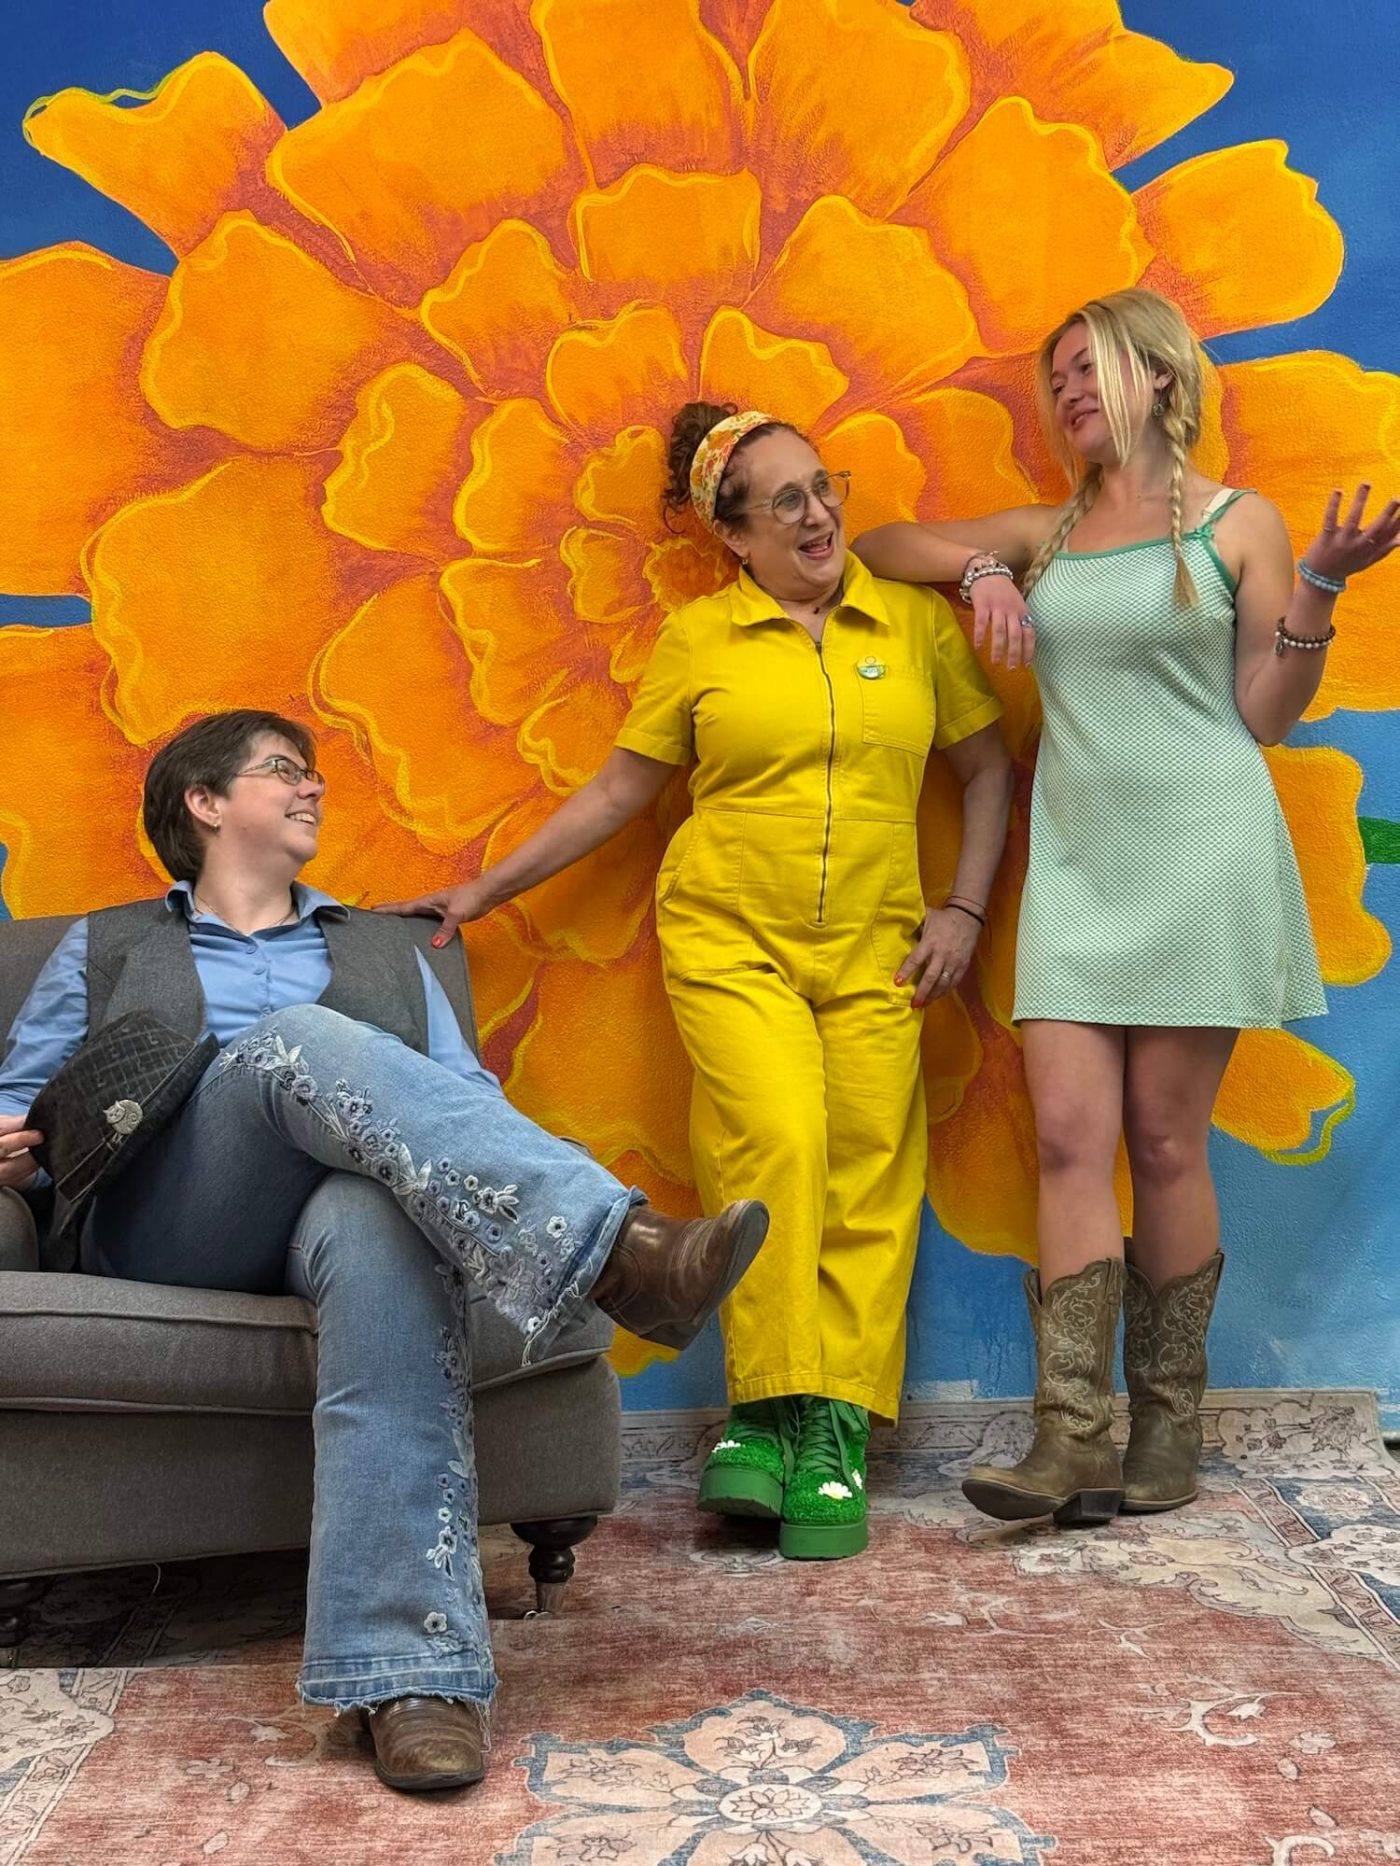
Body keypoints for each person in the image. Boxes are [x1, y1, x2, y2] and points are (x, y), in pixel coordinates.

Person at [0, 710, 769, 1793]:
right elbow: (20, 1105)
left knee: (376, 1232)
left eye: (313, 774)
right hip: (171, 1219)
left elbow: (459, 1102)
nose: (312, 788)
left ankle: (410, 1675)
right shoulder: (110, 942)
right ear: (204, 803)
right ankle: (611, 1250)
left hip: (337, 1216)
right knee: (295, 1042)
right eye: (281, 772)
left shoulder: (379, 945)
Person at [382, 404, 1014, 1562]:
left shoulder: (912, 626)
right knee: (771, 1145)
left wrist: (962, 909)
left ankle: (829, 1431)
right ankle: (765, 1413)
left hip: (878, 946)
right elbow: (620, 794)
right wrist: (483, 889)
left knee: (870, 1168)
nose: (817, 512)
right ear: (734, 537)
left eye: (822, 487)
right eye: (784, 501)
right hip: (731, 940)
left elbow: (982, 772)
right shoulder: (702, 643)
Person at [854, 286, 1400, 1527]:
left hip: (1201, 853)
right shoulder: (1047, 534)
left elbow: (1262, 718)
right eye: (1051, 377)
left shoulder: (1234, 523)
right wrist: (986, 568)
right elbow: (886, 545)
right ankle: (1069, 1437)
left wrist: (1314, 590)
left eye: (1084, 367)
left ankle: (1165, 1421)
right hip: (1077, 867)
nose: (1063, 392)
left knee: (1160, 1142)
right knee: (1061, 1138)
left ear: (1156, 376)